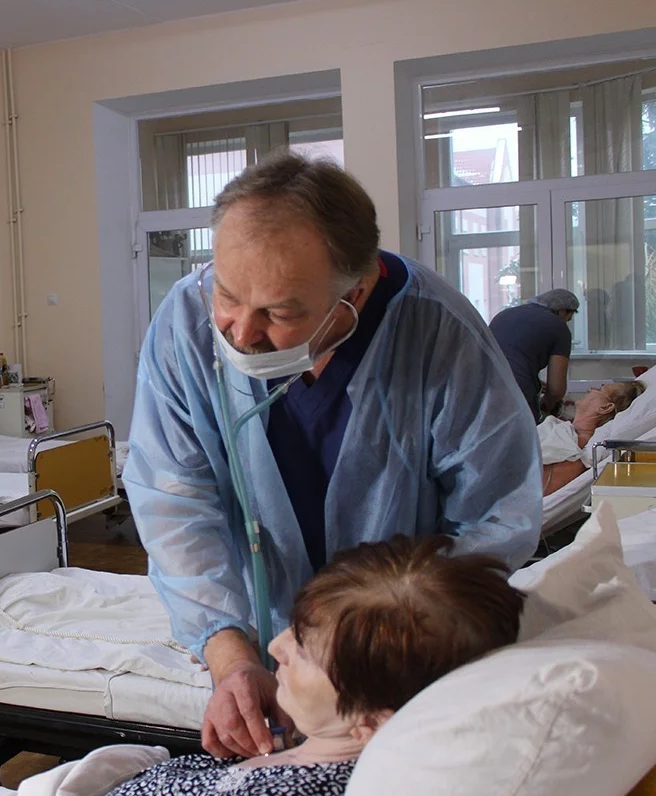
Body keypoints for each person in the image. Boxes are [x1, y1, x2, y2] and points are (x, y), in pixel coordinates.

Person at [122, 152, 540, 760]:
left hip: (388, 658)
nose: (240, 332)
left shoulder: (439, 336)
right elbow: (174, 501)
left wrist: (370, 657)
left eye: (279, 313)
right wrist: (232, 658)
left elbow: (494, 520)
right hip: (260, 635)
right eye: (227, 295)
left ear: (356, 293)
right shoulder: (186, 325)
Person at [105, 536, 525, 796]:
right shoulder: (305, 748)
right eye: (294, 629)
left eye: (304, 650)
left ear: (370, 722)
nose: (276, 646)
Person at [540, 380, 646, 496]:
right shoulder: (567, 431)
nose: (591, 389)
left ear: (605, 407)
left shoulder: (575, 445)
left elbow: (538, 486)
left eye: (599, 390)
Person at [489, 289, 579, 422]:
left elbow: (510, 358)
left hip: (483, 387)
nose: (565, 322)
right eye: (568, 319)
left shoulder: (503, 315)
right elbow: (556, 390)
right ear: (561, 311)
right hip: (518, 393)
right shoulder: (559, 327)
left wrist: (536, 383)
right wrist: (546, 406)